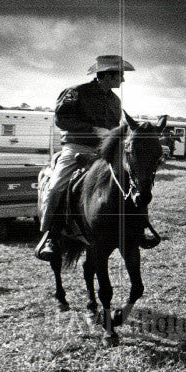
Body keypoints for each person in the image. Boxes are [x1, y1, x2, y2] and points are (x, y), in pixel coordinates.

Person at [34, 54, 159, 261]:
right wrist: (92, 129)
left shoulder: (114, 100)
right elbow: (61, 119)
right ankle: (51, 235)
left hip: (104, 150)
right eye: (120, 75)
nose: (123, 80)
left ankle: (139, 228)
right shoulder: (76, 92)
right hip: (75, 147)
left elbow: (112, 127)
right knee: (57, 187)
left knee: (133, 181)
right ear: (107, 75)